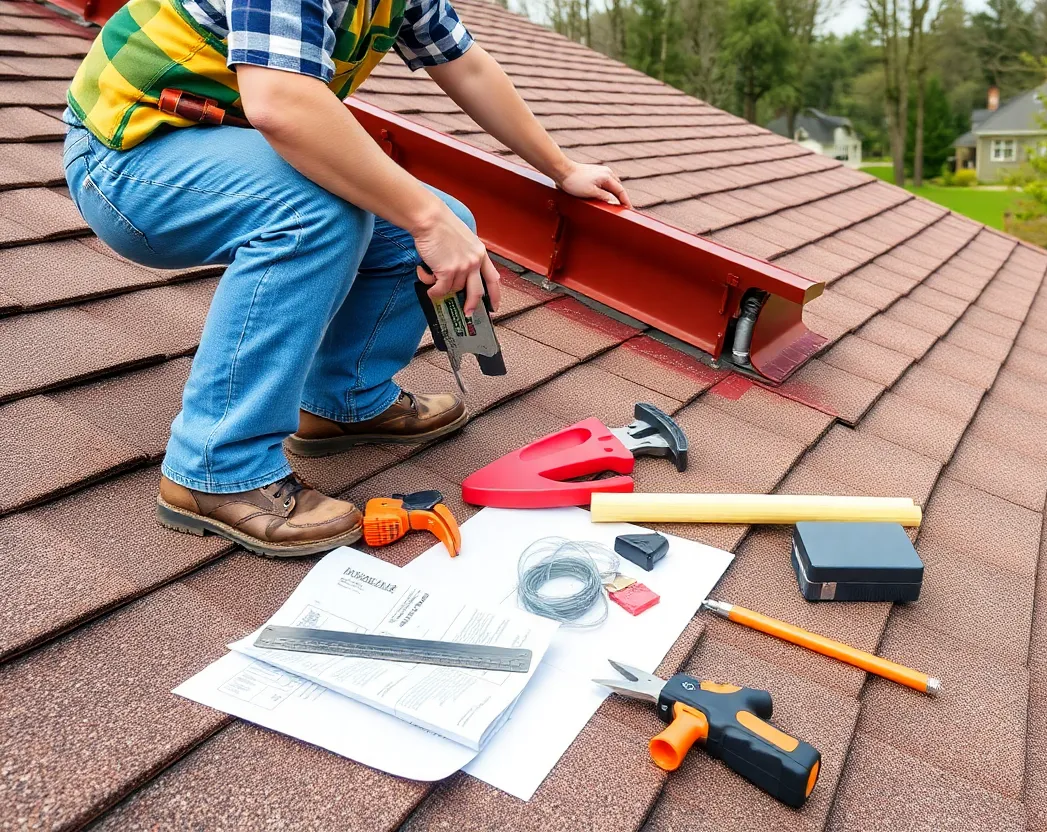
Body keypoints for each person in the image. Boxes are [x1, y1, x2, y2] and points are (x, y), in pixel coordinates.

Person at [62, 0, 630, 557]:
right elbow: (282, 104)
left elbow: (467, 64)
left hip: (219, 144)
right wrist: (423, 218)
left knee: (437, 222)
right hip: (127, 159)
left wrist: (562, 168)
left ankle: (343, 400)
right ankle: (217, 466)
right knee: (319, 214)